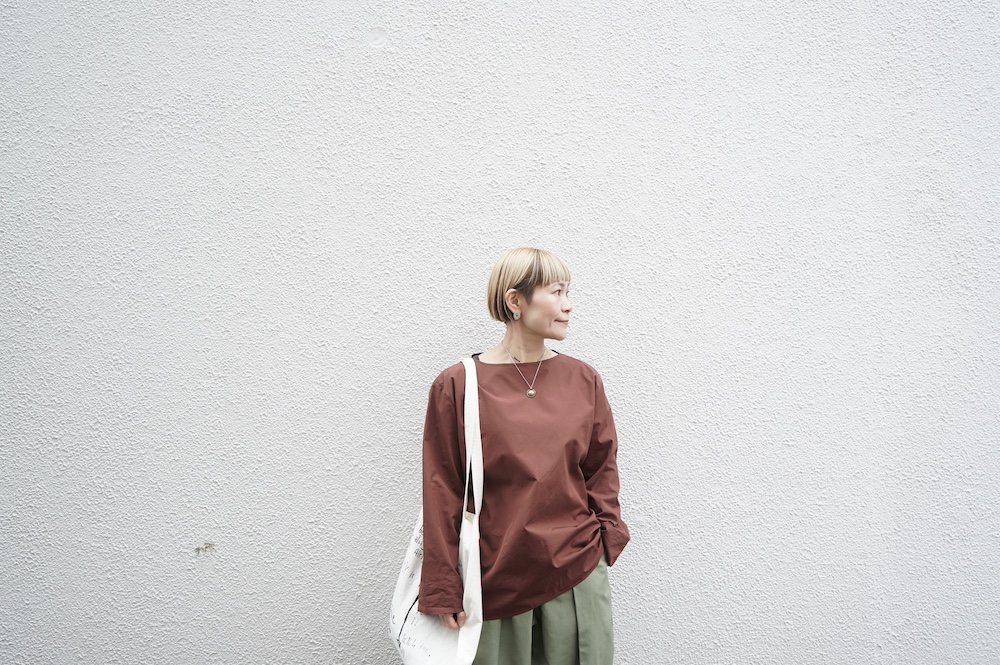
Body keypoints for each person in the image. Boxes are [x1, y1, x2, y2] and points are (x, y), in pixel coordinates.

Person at [418, 247, 630, 665]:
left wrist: (607, 537)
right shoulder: (458, 384)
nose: (568, 305)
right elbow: (442, 488)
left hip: (576, 574)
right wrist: (443, 585)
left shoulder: (583, 380)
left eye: (568, 292)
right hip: (493, 582)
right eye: (556, 292)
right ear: (515, 301)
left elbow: (601, 468)